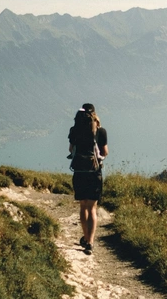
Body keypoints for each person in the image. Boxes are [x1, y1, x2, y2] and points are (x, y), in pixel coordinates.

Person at [68, 103, 108, 254]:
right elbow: (104, 152)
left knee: (83, 206)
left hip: (79, 172)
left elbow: (71, 149)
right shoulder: (100, 131)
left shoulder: (74, 130)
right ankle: (90, 242)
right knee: (92, 208)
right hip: (94, 173)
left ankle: (85, 238)